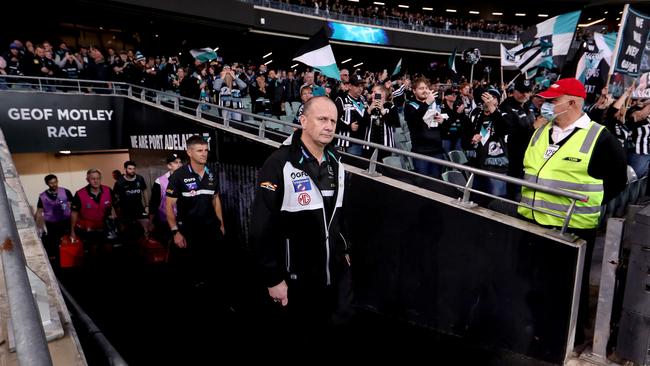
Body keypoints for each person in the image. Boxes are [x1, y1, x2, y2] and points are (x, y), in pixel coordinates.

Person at [517, 78, 627, 347]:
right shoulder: (540, 131)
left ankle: (567, 339)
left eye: (553, 101)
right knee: (531, 284)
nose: (546, 105)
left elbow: (617, 180)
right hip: (531, 220)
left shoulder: (599, 136)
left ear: (572, 103)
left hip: (572, 228)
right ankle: (533, 332)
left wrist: (586, 204)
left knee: (567, 290)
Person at [250, 96, 353, 344]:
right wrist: (273, 278)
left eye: (333, 120)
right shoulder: (279, 163)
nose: (329, 126)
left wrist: (345, 249)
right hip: (295, 280)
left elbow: (340, 214)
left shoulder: (337, 163)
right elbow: (261, 226)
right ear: (304, 121)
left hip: (333, 277)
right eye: (322, 119)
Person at [166, 136, 225, 289]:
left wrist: (221, 224)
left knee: (215, 269)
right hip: (189, 232)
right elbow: (169, 207)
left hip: (211, 230)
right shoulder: (178, 176)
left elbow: (215, 199)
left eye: (206, 150)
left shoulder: (211, 174)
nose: (204, 154)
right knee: (192, 273)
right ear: (189, 152)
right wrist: (175, 232)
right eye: (199, 151)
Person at [404, 77, 446, 179]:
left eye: (426, 88)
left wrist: (443, 121)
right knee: (422, 184)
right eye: (421, 88)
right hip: (421, 152)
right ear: (414, 91)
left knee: (436, 183)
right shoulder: (410, 106)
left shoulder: (434, 105)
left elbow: (444, 130)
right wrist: (426, 103)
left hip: (437, 150)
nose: (425, 91)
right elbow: (415, 120)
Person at [70, 169, 114, 255]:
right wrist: (72, 231)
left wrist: (119, 222)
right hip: (88, 227)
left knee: (109, 249)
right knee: (93, 251)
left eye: (98, 178)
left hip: (105, 225)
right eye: (93, 179)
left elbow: (116, 206)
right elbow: (74, 213)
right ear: (87, 180)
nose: (96, 181)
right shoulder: (79, 194)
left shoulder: (108, 190)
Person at [35, 174, 73, 265]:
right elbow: (39, 210)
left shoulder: (66, 191)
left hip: (66, 221)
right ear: (47, 184)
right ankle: (58, 262)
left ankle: (69, 259)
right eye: (51, 183)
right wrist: (37, 225)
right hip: (52, 224)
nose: (54, 184)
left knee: (67, 241)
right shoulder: (42, 196)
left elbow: (72, 206)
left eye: (55, 182)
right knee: (55, 243)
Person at [148, 153, 183, 242]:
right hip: (165, 221)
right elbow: (154, 202)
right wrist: (151, 222)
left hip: (184, 220)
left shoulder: (187, 180)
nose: (179, 164)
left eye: (180, 162)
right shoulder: (160, 181)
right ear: (169, 166)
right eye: (176, 162)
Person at [113, 161, 149, 240]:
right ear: (125, 169)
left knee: (145, 228)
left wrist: (147, 205)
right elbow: (115, 199)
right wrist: (118, 214)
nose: (132, 170)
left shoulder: (140, 178)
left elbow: (144, 191)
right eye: (130, 169)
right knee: (129, 233)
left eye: (134, 169)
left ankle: (145, 244)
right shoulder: (119, 182)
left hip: (139, 208)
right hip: (126, 211)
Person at [334, 74, 367, 156]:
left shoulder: (363, 99)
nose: (360, 88)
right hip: (349, 142)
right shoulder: (341, 99)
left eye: (361, 86)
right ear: (350, 86)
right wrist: (349, 126)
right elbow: (334, 119)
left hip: (364, 141)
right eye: (357, 86)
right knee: (351, 167)